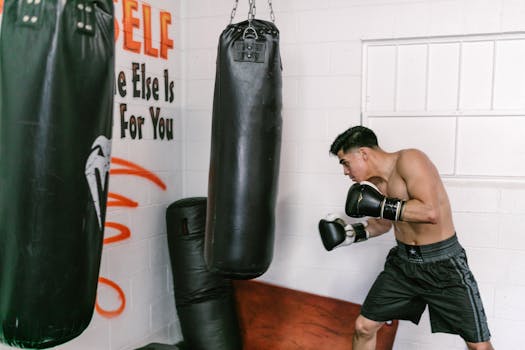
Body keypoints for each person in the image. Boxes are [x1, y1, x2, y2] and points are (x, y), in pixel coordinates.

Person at [318, 126, 493, 350]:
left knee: (478, 345)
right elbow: (383, 224)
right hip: (403, 266)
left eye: (345, 162)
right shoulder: (376, 184)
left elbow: (430, 212)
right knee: (364, 326)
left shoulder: (410, 159)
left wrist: (380, 205)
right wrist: (351, 234)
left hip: (443, 265)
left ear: (363, 153)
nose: (345, 171)